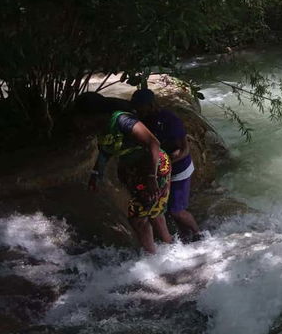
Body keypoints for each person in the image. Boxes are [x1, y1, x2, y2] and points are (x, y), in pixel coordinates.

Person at [75, 92, 173, 254]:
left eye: (81, 119)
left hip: (154, 167)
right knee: (154, 211)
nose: (80, 124)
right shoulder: (100, 128)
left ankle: (153, 259)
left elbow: (153, 143)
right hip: (135, 170)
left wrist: (151, 177)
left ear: (93, 115)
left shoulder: (122, 120)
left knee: (138, 217)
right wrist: (96, 174)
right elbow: (106, 151)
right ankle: (170, 251)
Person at [131, 89, 200, 242]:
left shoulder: (169, 120)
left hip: (179, 169)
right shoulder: (143, 119)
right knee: (166, 209)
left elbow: (184, 149)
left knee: (176, 211)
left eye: (140, 106)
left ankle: (198, 234)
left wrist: (163, 166)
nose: (137, 110)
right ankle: (185, 236)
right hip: (161, 170)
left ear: (149, 105)